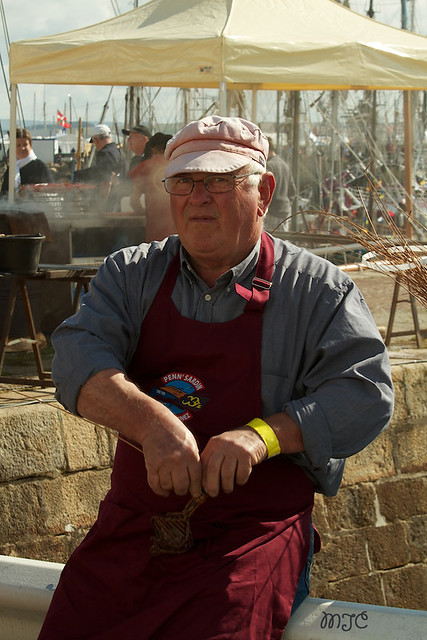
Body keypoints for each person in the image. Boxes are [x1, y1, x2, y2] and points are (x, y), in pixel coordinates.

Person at [39, 116, 393, 640]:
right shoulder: (128, 274)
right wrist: (153, 424)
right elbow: (73, 355)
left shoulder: (319, 290)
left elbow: (364, 393)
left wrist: (262, 436)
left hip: (250, 539)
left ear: (264, 192)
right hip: (136, 531)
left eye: (220, 181)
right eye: (183, 181)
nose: (197, 197)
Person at [128, 132, 176, 241]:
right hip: (181, 233)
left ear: (153, 149)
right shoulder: (180, 166)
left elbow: (134, 201)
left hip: (155, 232)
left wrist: (143, 212)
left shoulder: (145, 167)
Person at [73, 124, 125, 211]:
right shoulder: (120, 152)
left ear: (96, 140)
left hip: (109, 204)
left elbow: (106, 182)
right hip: (118, 201)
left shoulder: (104, 154)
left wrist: (100, 206)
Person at [0, 128, 52, 195]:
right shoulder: (11, 169)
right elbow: (4, 194)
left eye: (25, 144)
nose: (22, 148)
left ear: (30, 146)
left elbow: (51, 190)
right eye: (18, 145)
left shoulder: (40, 167)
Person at [264, 136, 296, 232]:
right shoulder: (284, 165)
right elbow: (293, 191)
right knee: (282, 241)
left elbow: (265, 190)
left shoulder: (269, 165)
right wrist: (287, 204)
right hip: (285, 210)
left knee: (270, 242)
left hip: (273, 211)